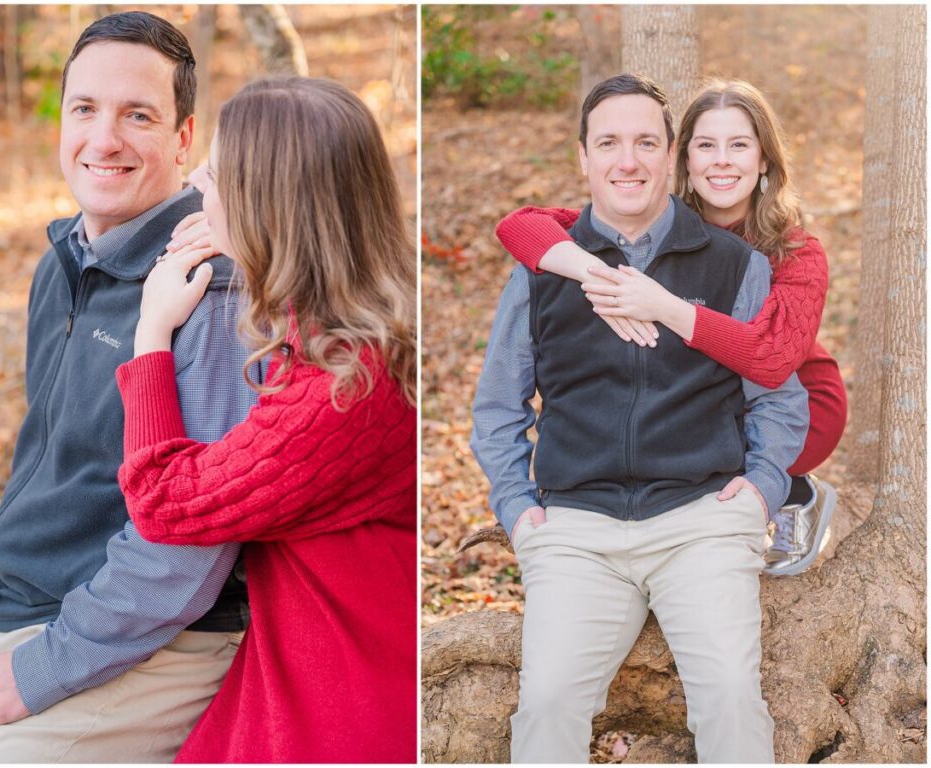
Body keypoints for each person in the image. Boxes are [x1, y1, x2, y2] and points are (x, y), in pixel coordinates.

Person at [0, 12, 257, 763]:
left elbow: (189, 547)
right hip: (16, 607)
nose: (104, 140)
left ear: (183, 137)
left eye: (139, 115)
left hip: (154, 638)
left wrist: (43, 668)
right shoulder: (61, 259)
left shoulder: (207, 286)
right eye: (85, 110)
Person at [471, 73, 809, 763]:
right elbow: (500, 404)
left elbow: (776, 393)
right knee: (546, 703)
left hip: (701, 520)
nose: (628, 160)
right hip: (577, 529)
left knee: (732, 698)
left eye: (646, 142)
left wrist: (763, 489)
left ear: (671, 156)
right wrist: (516, 507)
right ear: (584, 158)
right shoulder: (541, 268)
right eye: (610, 143)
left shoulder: (735, 263)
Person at [114, 76, 417, 763]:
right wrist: (246, 247)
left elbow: (165, 501)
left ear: (270, 207)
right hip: (308, 667)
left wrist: (152, 332)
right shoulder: (363, 323)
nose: (194, 180)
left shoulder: (347, 387)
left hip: (340, 706)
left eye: (217, 176)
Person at [495, 78, 847, 576]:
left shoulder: (797, 252)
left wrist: (663, 305)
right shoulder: (660, 221)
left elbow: (771, 359)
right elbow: (520, 225)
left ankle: (794, 491)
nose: (721, 160)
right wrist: (598, 276)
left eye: (740, 145)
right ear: (683, 159)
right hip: (714, 393)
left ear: (765, 159)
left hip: (801, 396)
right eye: (706, 145)